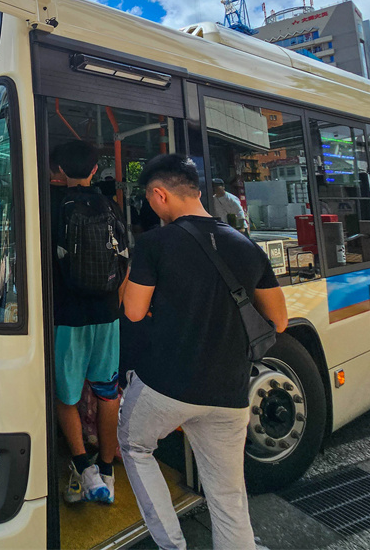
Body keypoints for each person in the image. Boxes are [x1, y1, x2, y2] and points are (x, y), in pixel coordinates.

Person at [119, 154, 287, 550]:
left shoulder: (154, 244)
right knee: (228, 491)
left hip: (166, 386)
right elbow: (278, 320)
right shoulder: (244, 244)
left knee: (135, 446)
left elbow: (133, 310)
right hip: (229, 392)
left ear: (160, 195)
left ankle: (172, 545)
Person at [51, 140, 128, 505]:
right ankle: (108, 469)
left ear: (60, 171)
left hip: (68, 317)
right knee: (106, 390)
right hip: (107, 316)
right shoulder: (110, 206)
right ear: (96, 171)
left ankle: (83, 467)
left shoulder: (51, 207)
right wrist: (114, 302)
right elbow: (127, 263)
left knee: (65, 395)